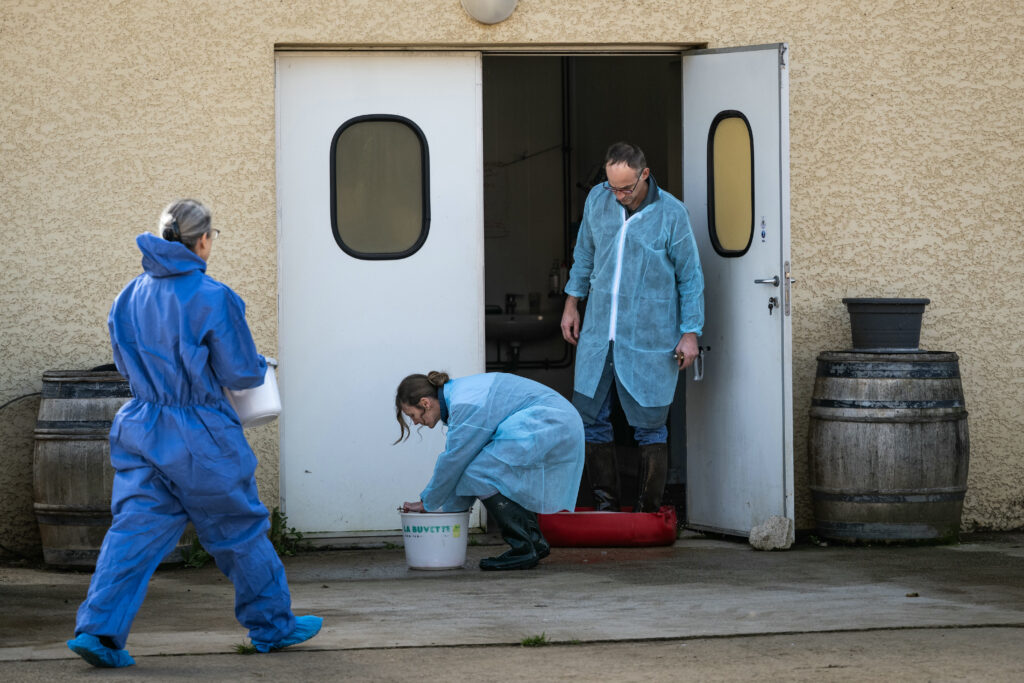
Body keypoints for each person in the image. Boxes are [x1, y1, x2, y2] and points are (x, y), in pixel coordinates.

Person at [67, 199, 321, 668]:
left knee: (133, 532)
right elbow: (240, 373)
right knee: (239, 529)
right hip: (201, 434)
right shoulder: (213, 296)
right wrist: (259, 364)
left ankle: (98, 630)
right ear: (203, 239)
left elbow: (123, 361)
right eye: (212, 237)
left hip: (141, 427)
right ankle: (273, 627)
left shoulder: (130, 294)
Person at [561, 142, 704, 513]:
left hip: (650, 336)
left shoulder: (672, 213)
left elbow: (690, 276)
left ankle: (648, 513)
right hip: (599, 333)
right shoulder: (598, 200)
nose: (619, 195)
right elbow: (584, 255)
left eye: (626, 188)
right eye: (612, 187)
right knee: (590, 419)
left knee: (650, 425)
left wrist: (690, 332)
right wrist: (572, 303)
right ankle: (606, 507)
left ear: (645, 174)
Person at [396, 371, 584, 571]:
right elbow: (460, 466)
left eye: (412, 415)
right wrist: (443, 508)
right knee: (478, 470)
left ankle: (523, 549)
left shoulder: (464, 405)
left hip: (549, 421)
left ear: (425, 403)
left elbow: (453, 461)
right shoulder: (460, 395)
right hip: (555, 420)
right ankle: (534, 542)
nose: (415, 423)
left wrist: (428, 503)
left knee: (479, 472)